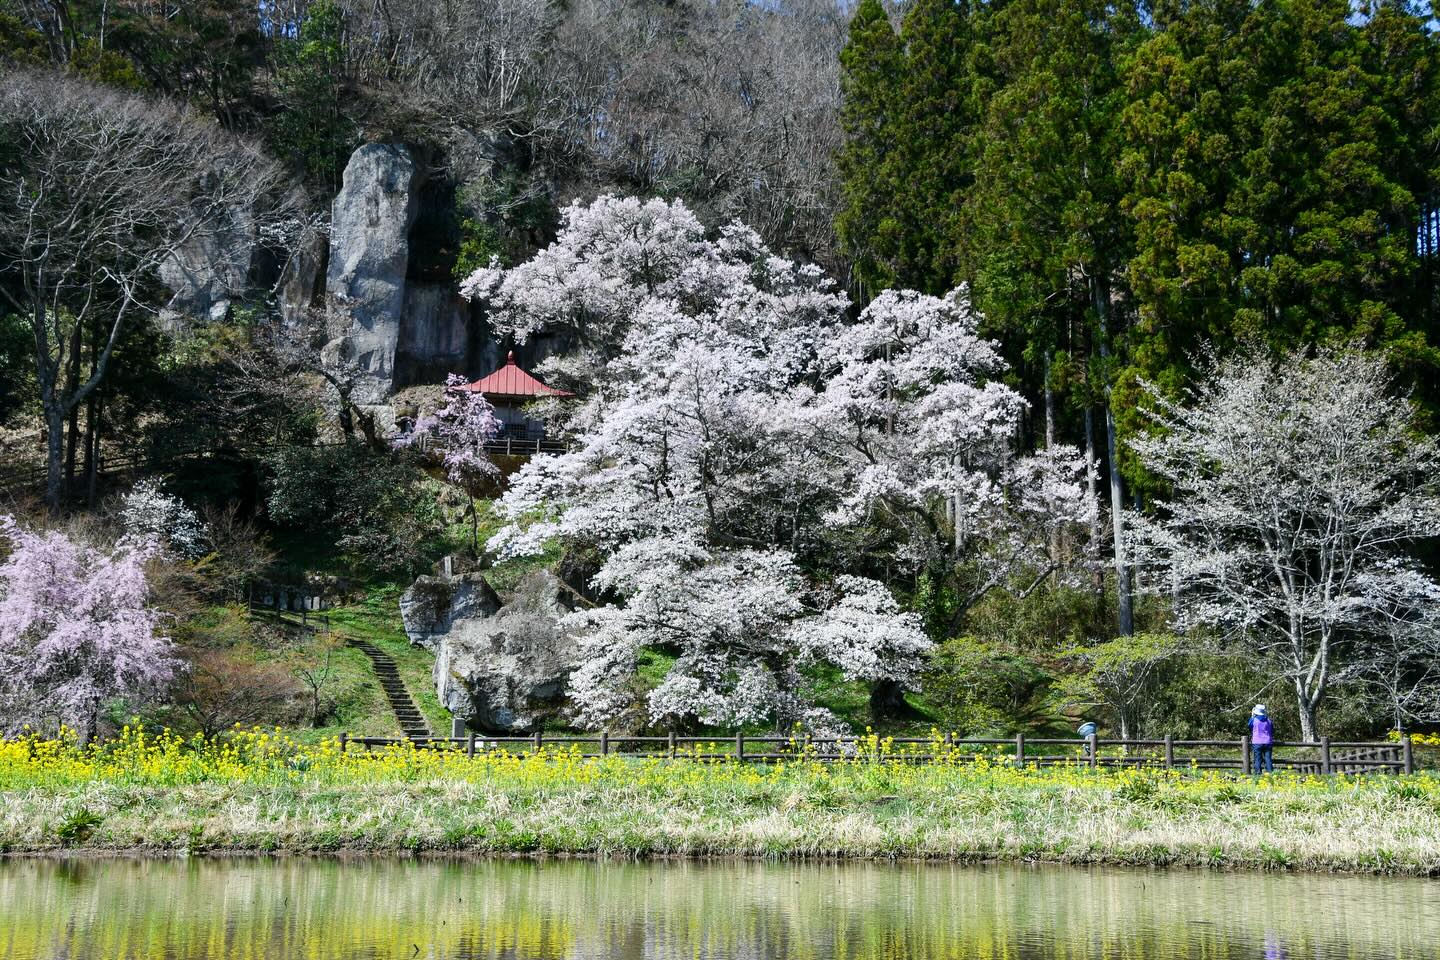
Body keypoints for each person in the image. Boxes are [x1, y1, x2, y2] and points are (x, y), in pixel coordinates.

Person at [1248, 704, 1274, 773]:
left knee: (1257, 759)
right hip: (1268, 742)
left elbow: (1249, 726)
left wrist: (1252, 716)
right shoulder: (1269, 721)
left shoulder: (1253, 720)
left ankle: (1258, 773)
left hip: (1257, 742)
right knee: (1268, 759)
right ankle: (1270, 772)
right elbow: (1272, 730)